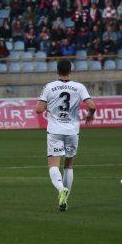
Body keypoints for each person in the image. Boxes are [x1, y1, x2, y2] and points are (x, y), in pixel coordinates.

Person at [36, 59, 96, 212]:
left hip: (55, 130)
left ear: (57, 71)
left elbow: (38, 109)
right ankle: (64, 200)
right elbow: (92, 106)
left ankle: (60, 189)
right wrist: (90, 114)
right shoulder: (78, 87)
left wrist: (50, 106)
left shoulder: (49, 87)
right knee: (68, 166)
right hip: (72, 130)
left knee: (53, 165)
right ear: (70, 71)